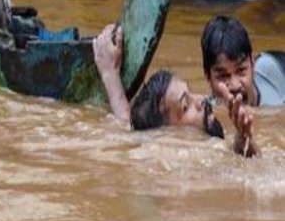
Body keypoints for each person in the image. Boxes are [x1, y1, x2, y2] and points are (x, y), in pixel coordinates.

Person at [94, 24, 259, 157]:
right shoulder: (185, 160)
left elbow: (126, 124)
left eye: (191, 92)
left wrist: (110, 75)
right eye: (186, 107)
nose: (201, 101)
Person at [201, 15, 285, 107]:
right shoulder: (205, 113)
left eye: (241, 71)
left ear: (253, 65)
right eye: (223, 76)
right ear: (208, 78)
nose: (235, 85)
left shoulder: (277, 72)